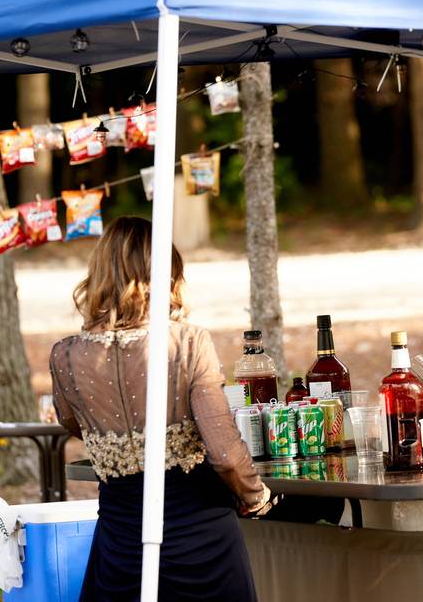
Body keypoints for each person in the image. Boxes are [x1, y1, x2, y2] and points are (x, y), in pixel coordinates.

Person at [50, 216, 270, 601]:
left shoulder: (67, 355)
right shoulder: (186, 343)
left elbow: (75, 424)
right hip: (199, 539)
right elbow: (225, 454)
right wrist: (256, 496)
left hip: (122, 539)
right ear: (167, 275)